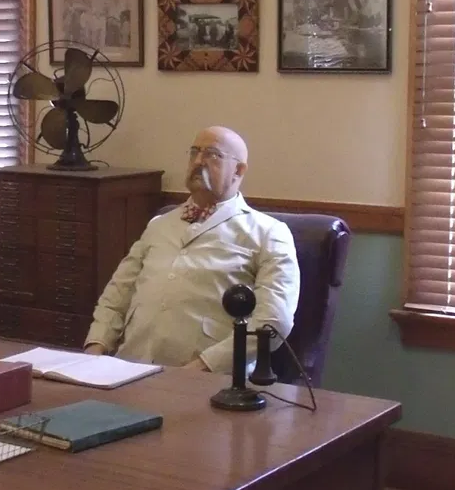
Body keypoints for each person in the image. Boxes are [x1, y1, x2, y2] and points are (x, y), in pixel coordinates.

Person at [84, 127, 300, 374]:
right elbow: (117, 294)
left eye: (212, 154)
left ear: (239, 170)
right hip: (128, 371)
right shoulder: (159, 224)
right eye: (194, 152)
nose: (198, 161)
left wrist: (200, 368)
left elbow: (273, 322)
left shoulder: (268, 233)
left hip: (210, 382)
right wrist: (95, 349)